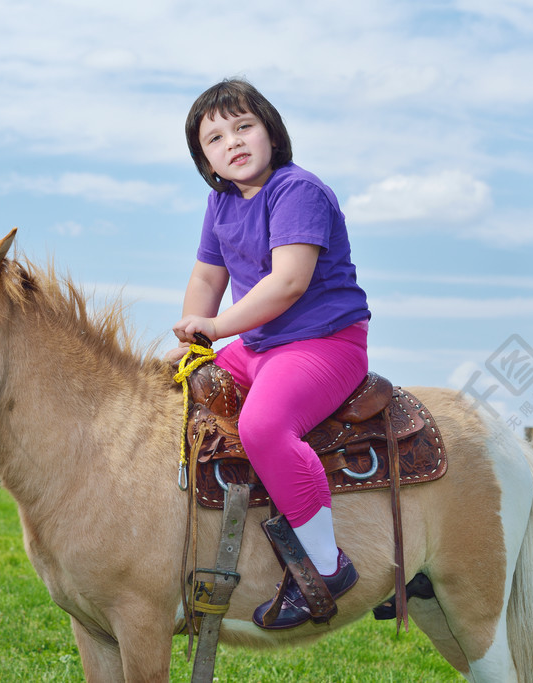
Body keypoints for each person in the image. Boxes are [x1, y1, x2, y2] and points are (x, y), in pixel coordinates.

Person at [169, 78, 371, 629]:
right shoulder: (220, 203)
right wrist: (192, 344)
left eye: (243, 126)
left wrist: (212, 328)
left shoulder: (297, 191)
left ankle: (326, 568)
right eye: (214, 138)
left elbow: (287, 284)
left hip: (323, 343)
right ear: (203, 157)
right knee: (169, 392)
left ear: (271, 133)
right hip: (258, 347)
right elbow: (207, 276)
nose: (232, 142)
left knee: (262, 426)